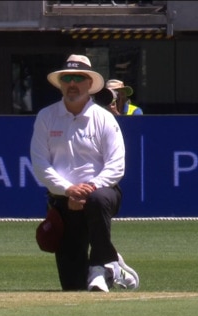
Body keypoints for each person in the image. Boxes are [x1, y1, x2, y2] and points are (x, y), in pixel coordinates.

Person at [30, 54, 140, 292]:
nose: (72, 84)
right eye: (67, 78)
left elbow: (116, 166)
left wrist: (88, 189)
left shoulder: (104, 119)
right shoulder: (46, 117)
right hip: (63, 201)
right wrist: (68, 190)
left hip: (101, 194)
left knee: (98, 200)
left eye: (78, 78)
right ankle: (112, 262)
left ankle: (100, 267)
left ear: (89, 84)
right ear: (61, 83)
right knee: (73, 287)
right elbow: (40, 164)